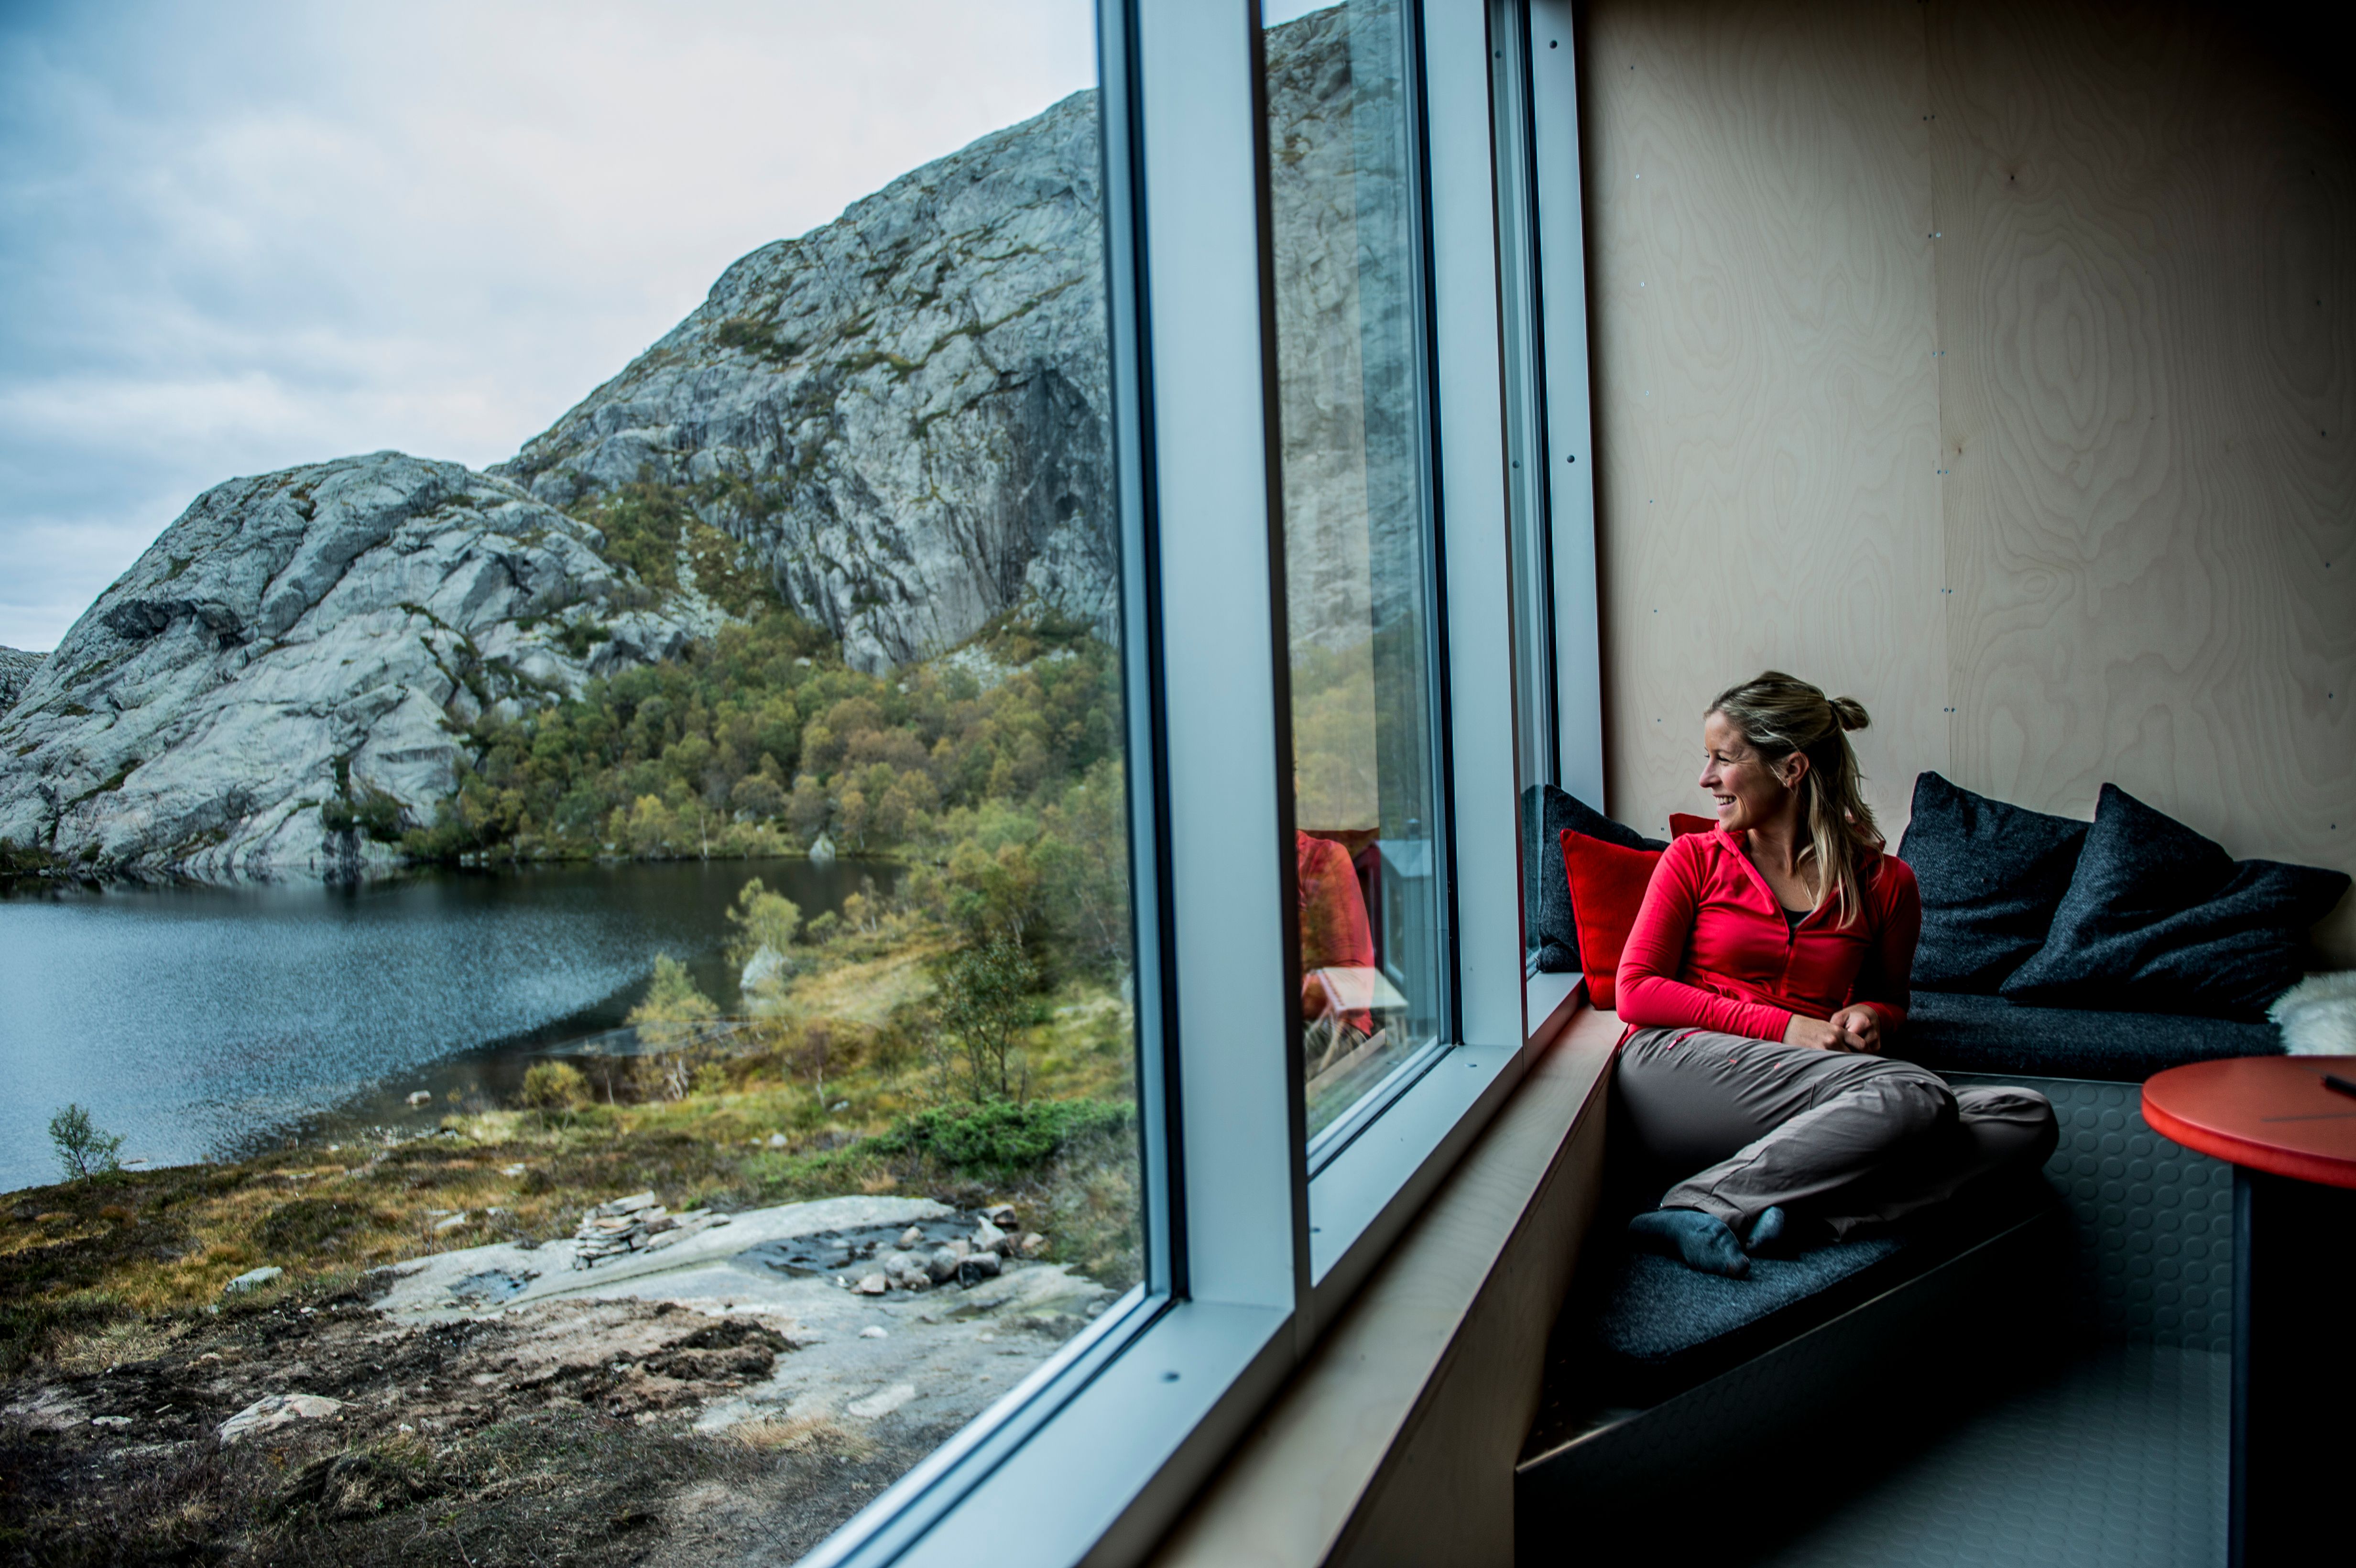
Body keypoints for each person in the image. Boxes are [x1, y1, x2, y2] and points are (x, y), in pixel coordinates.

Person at [1613, 672, 2057, 1277]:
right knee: (1914, 1095)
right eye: (1706, 758)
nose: (1705, 777)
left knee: (2022, 1115)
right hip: (1679, 1070)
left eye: (1723, 758)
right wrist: (1787, 1027)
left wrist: (1873, 1017)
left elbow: (1888, 999)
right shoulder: (1693, 859)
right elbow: (1635, 992)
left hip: (1809, 1085)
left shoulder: (1885, 882)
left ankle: (1798, 1213)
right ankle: (1700, 1202)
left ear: (1790, 768)